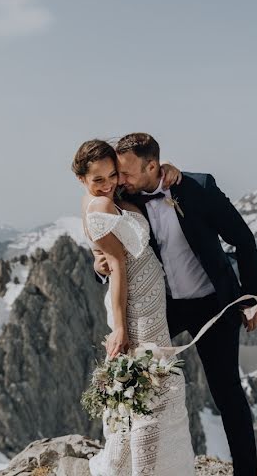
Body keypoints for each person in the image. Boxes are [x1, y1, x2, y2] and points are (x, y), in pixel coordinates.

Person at [94, 132, 257, 476]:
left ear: (153, 166)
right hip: (163, 309)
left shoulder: (199, 188)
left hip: (214, 306)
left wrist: (252, 298)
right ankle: (134, 462)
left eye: (125, 173)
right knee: (133, 377)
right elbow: (106, 238)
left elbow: (243, 239)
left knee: (228, 393)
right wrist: (100, 268)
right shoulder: (128, 197)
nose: (120, 182)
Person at [74, 139, 195, 475]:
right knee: (151, 386)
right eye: (98, 179)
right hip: (136, 304)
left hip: (151, 300)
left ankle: (144, 463)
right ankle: (144, 467)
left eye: (113, 174)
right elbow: (116, 267)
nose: (109, 183)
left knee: (151, 384)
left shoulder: (114, 199)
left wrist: (167, 169)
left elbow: (145, 178)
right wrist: (120, 328)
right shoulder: (98, 207)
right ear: (82, 179)